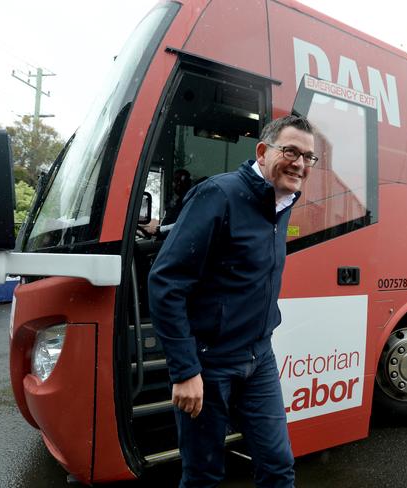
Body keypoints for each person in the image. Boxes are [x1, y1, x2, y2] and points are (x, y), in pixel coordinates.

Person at [148, 115, 316, 487]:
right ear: (262, 151)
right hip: (210, 363)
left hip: (259, 359)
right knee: (204, 474)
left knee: (278, 465)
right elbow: (166, 282)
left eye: (308, 157)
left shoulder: (282, 201)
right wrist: (185, 370)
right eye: (290, 151)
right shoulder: (219, 195)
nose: (300, 163)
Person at [141, 168, 192, 236]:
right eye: (176, 180)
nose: (178, 184)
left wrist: (158, 229)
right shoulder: (176, 201)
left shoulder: (190, 202)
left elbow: (184, 224)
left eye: (183, 181)